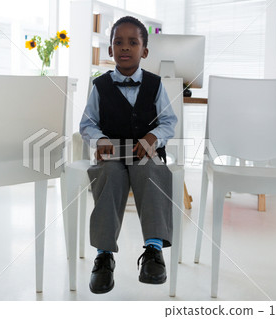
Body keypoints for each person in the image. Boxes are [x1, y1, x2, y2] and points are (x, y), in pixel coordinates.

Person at [79, 16, 177, 294]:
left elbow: (169, 121)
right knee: (109, 174)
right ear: (110, 50)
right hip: (112, 153)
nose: (124, 47)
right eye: (118, 42)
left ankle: (153, 252)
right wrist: (99, 140)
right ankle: (104, 255)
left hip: (145, 152)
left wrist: (153, 137)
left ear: (144, 51)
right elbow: (88, 124)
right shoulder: (99, 86)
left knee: (150, 171)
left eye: (132, 42)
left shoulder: (155, 85)